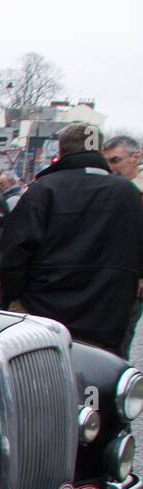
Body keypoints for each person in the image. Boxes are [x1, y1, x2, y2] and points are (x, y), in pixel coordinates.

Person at [0, 123, 143, 355]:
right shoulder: (128, 194)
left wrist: (13, 297)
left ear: (61, 152)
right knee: (99, 382)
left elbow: (15, 252)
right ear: (99, 151)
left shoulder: (44, 189)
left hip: (44, 312)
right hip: (105, 316)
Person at [102, 134, 143, 356]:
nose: (111, 167)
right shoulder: (110, 189)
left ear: (136, 157)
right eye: (107, 161)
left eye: (116, 160)